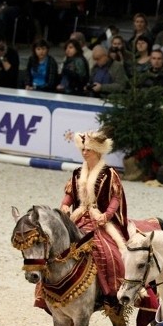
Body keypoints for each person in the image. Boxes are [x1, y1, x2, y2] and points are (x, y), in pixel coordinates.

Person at [59, 129, 128, 308]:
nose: (84, 152)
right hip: (79, 216)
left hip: (100, 219)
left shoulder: (109, 173)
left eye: (87, 149)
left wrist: (106, 215)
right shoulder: (76, 173)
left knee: (107, 251)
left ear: (96, 151)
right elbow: (70, 194)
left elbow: (116, 197)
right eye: (83, 149)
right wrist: (65, 205)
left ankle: (111, 289)